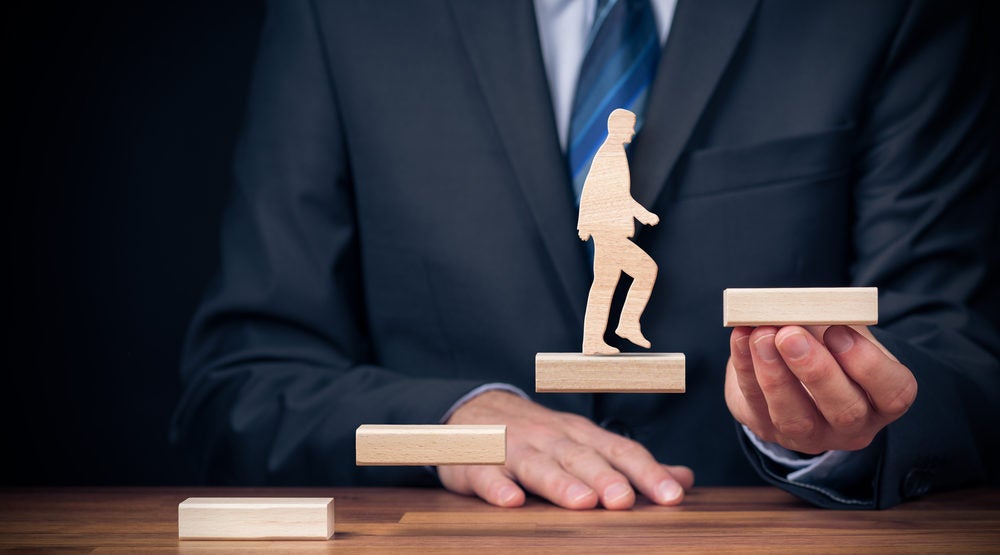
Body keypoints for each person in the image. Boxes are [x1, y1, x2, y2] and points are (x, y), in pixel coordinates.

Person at [171, 0, 999, 510]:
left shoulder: (882, 12)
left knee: (623, 282)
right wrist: (448, 427)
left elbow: (955, 348)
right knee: (622, 277)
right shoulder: (345, 18)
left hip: (752, 540)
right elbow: (238, 389)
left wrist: (840, 431)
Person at [578, 108, 659, 354]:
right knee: (646, 270)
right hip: (608, 231)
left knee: (604, 285)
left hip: (605, 230)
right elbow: (612, 196)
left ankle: (592, 340)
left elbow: (594, 189)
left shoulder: (611, 153)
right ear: (617, 127)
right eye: (630, 126)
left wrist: (585, 223)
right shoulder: (610, 155)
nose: (633, 131)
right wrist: (643, 214)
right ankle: (626, 323)